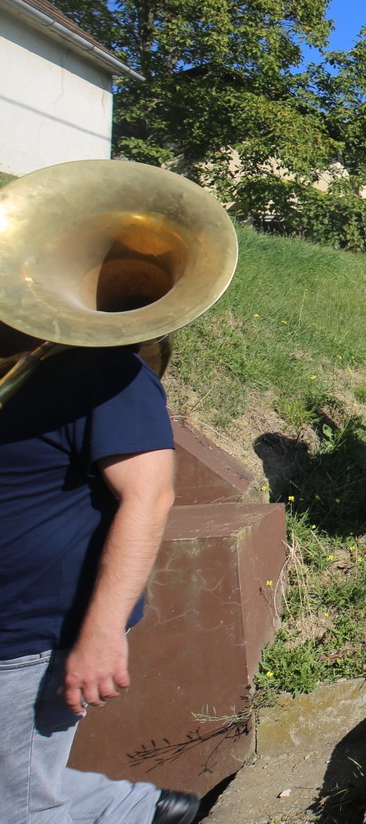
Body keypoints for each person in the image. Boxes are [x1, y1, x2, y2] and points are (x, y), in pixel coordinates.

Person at [0, 329, 202, 824]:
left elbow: (149, 497)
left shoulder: (111, 372)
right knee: (18, 783)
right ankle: (139, 811)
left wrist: (101, 633)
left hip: (33, 635)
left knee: (16, 807)